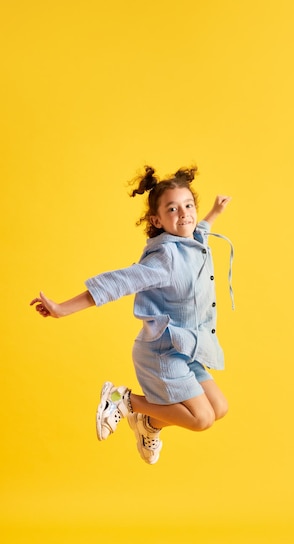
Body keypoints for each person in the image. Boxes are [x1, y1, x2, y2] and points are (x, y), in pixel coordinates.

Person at [30, 165, 233, 465]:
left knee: (220, 408)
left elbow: (197, 233)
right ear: (157, 220)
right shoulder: (165, 258)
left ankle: (148, 424)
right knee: (201, 419)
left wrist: (213, 213)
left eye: (189, 205)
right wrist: (62, 309)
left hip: (188, 348)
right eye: (173, 209)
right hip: (162, 352)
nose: (185, 214)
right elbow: (118, 283)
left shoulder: (192, 242)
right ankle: (123, 399)